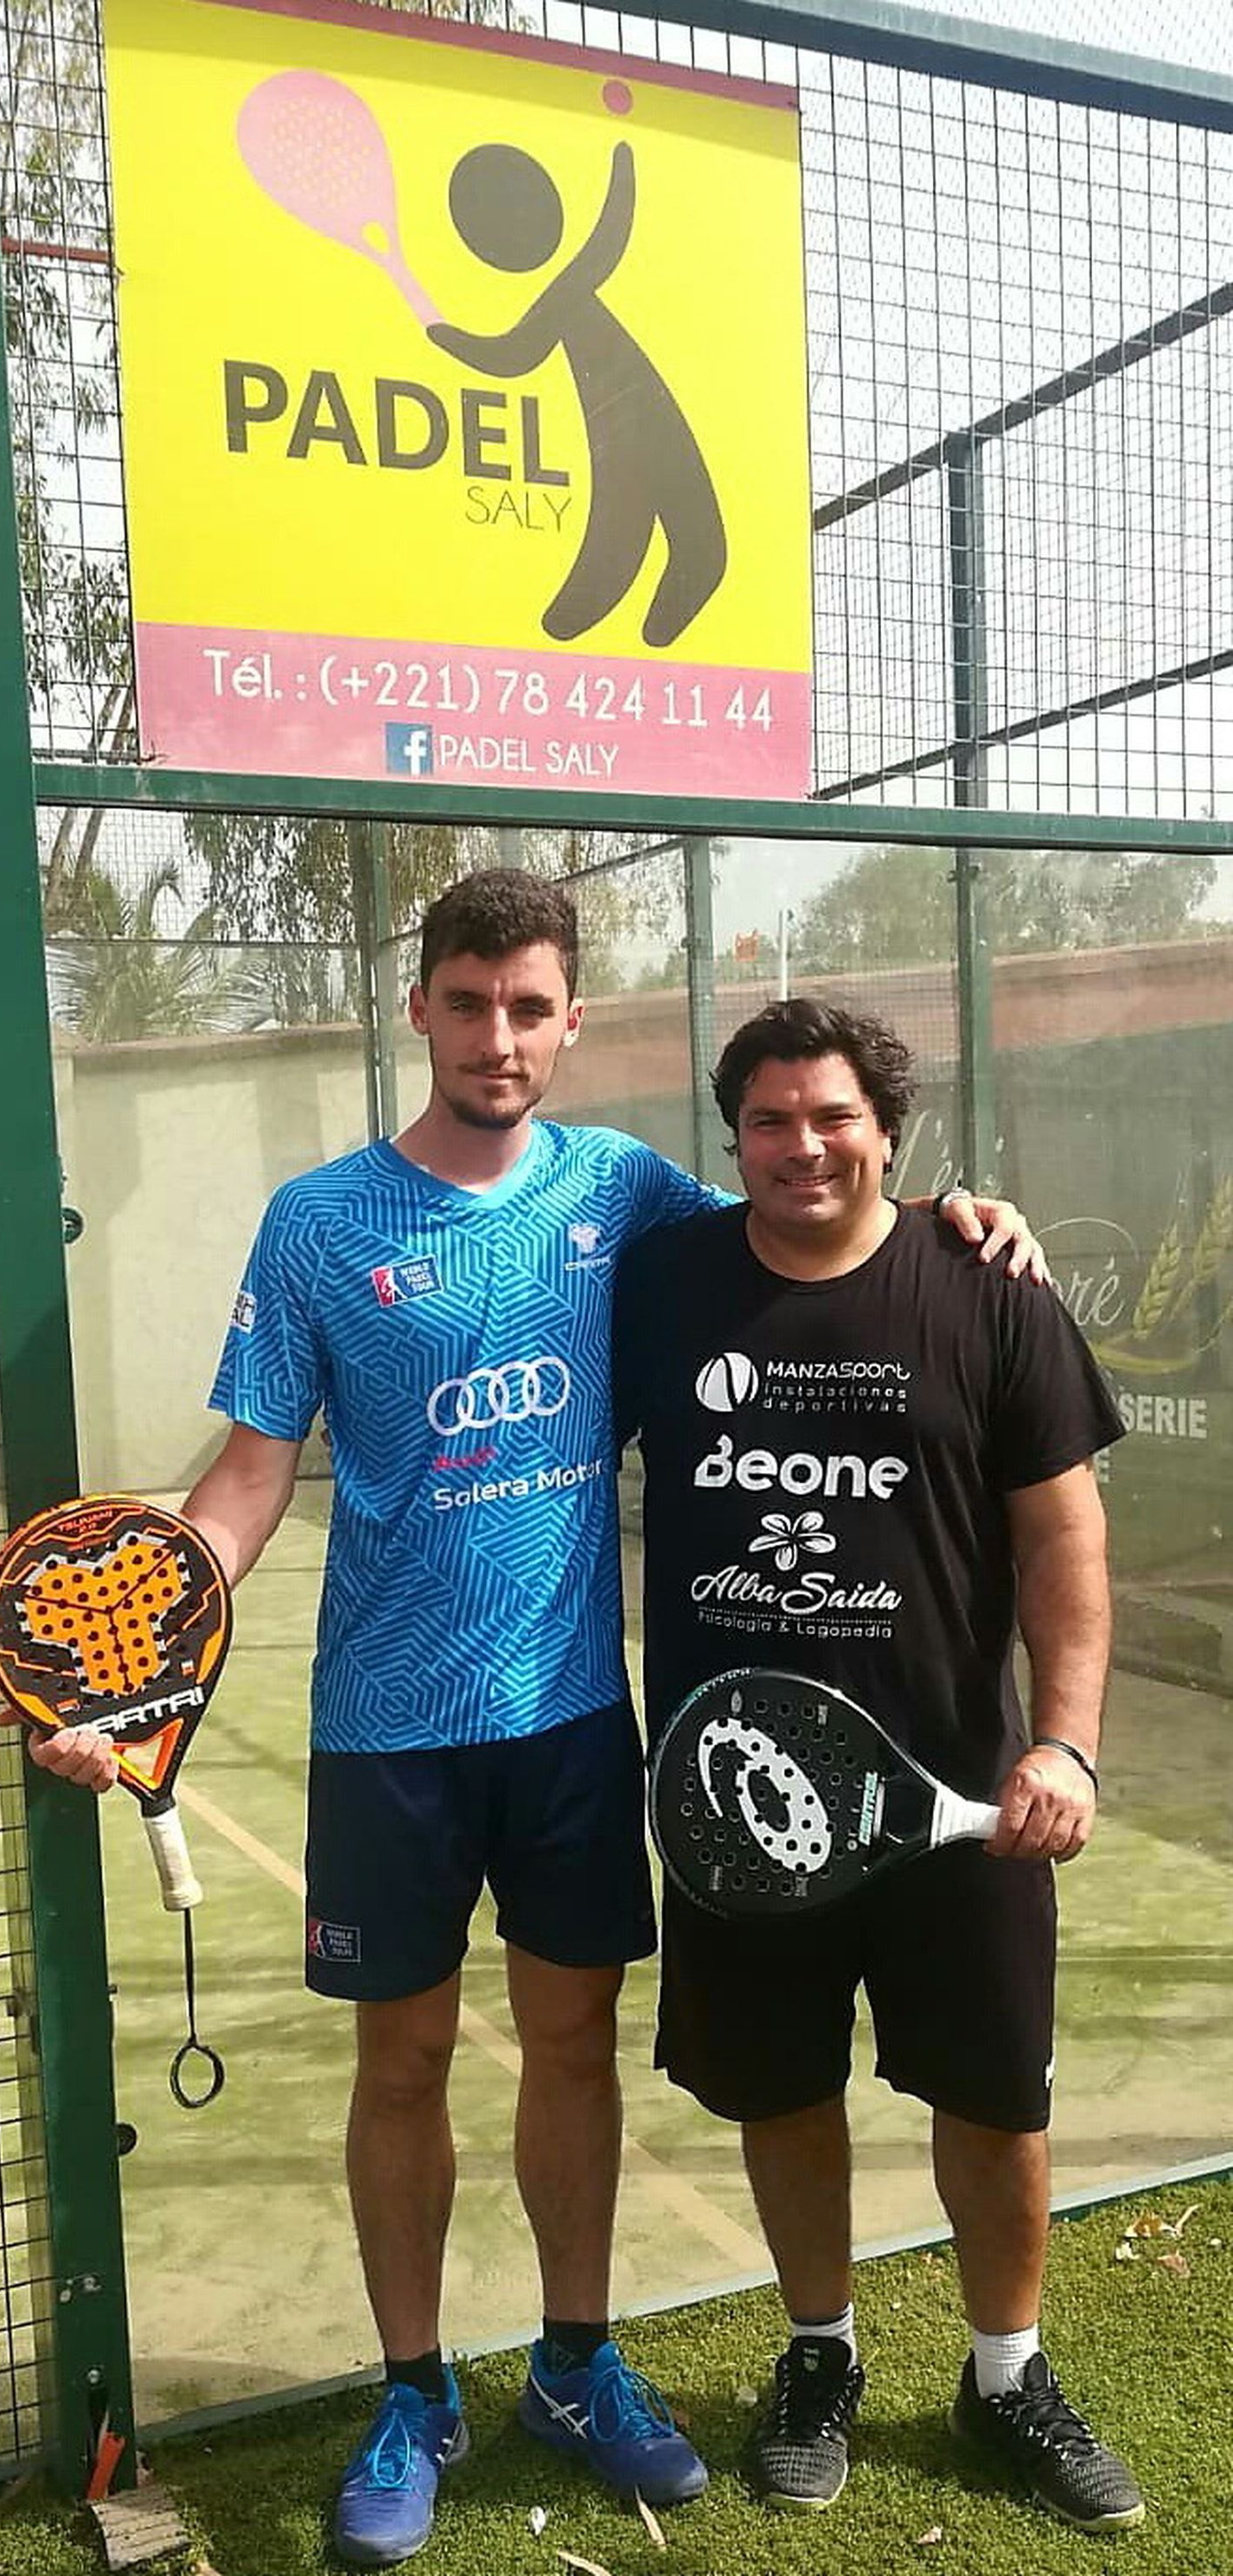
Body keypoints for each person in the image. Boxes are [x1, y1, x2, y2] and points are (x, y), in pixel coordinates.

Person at [3, 877, 1041, 2567]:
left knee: (570, 2048)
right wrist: (134, 1663)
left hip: (572, 1721)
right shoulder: (320, 1223)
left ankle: (570, 2359)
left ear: (568, 1022)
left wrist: (954, 1214)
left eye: (529, 1006)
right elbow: (250, 1474)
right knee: (399, 2058)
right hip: (386, 1736)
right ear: (419, 1007)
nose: (499, 1035)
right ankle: (412, 2386)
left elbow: (806, 1219)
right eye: (469, 1001)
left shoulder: (626, 1190)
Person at [613, 995, 1144, 2537]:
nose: (801, 1143)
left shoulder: (989, 1287)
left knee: (993, 2098)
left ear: (888, 1133)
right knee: (781, 2089)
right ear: (734, 1143)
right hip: (736, 1794)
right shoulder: (664, 1286)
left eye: (831, 1115)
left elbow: (1064, 1536)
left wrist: (1068, 1740)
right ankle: (819, 2354)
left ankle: (1006, 2375)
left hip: (962, 1806)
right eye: (769, 1120)